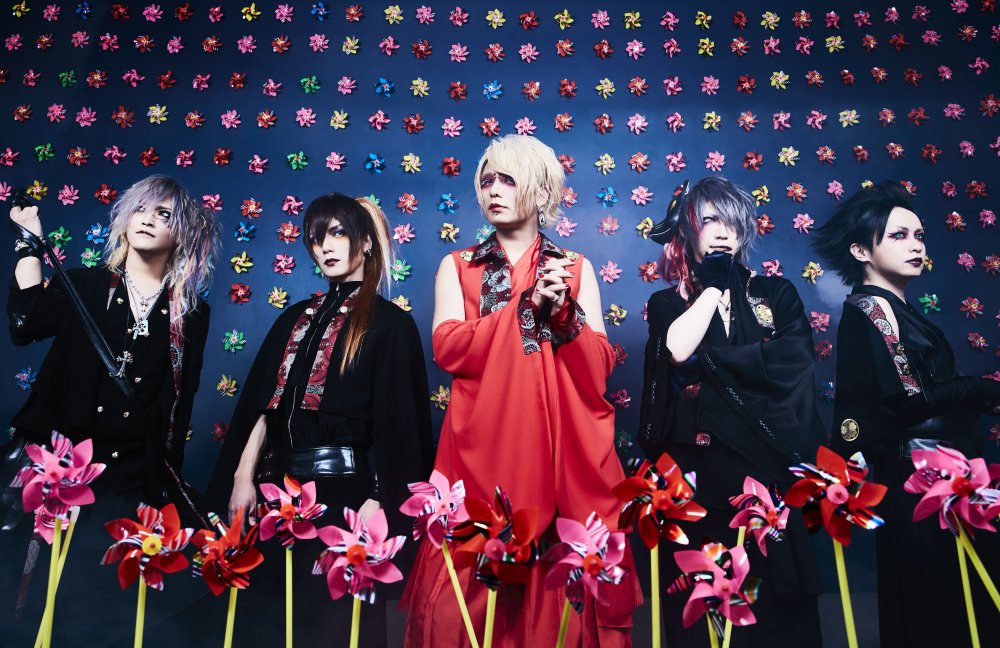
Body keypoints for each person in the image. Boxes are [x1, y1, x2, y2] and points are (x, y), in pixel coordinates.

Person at [403, 134, 641, 647]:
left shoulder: (574, 267)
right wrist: (524, 308)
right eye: (487, 180)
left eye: (508, 180)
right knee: (461, 606)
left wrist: (564, 315)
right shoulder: (458, 265)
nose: (493, 190)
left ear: (541, 190)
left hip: (559, 449)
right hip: (479, 444)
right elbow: (447, 347)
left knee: (561, 597)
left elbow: (599, 367)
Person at [1, 174, 221, 645]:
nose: (148, 219)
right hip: (60, 470)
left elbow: (179, 404)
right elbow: (25, 323)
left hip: (127, 478)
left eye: (164, 214)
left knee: (101, 606)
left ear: (182, 232)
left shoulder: (190, 314)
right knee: (32, 594)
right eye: (141, 208)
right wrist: (27, 243)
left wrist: (163, 483)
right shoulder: (86, 283)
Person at [207, 193, 434, 647]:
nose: (325, 247)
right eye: (315, 238)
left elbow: (404, 428)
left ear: (365, 242)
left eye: (338, 233)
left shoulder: (391, 324)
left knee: (336, 625)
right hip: (276, 494)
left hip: (346, 496)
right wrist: (242, 476)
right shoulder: (291, 319)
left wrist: (378, 499)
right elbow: (264, 408)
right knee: (268, 620)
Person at [813, 181, 1000, 647]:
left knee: (955, 606)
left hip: (942, 476)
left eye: (919, 235)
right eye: (898, 235)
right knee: (937, 610)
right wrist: (983, 390)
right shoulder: (872, 306)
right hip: (922, 478)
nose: (916, 245)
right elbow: (910, 398)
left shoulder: (898, 309)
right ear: (861, 250)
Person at [638, 176, 823, 647]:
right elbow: (678, 350)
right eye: (709, 220)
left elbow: (792, 361)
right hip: (697, 478)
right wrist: (712, 290)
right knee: (702, 608)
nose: (723, 231)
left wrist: (712, 365)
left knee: (770, 615)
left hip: (764, 472)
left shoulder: (776, 294)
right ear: (688, 230)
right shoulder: (667, 303)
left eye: (733, 222)